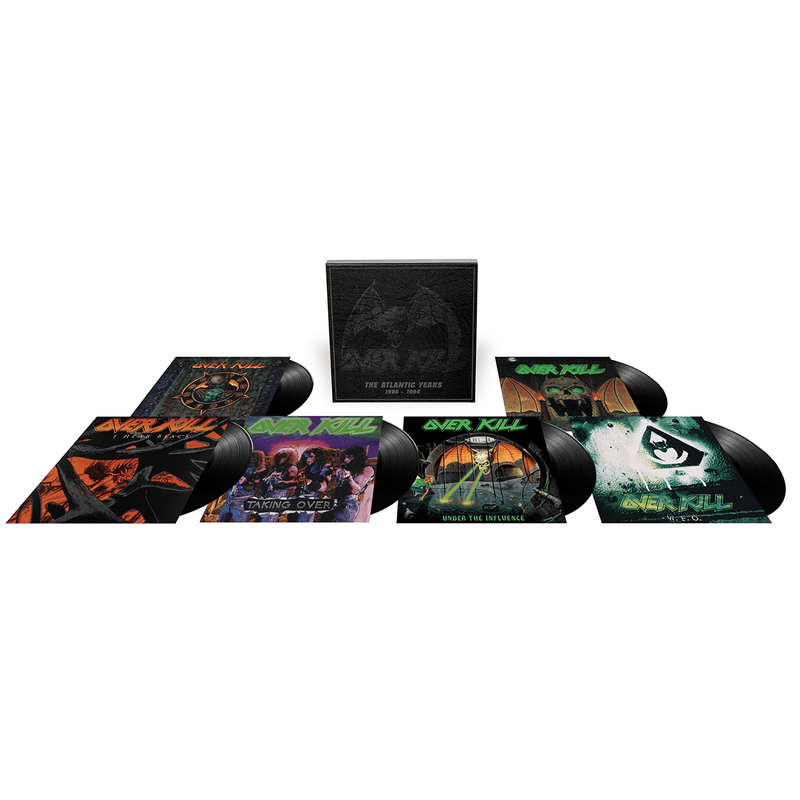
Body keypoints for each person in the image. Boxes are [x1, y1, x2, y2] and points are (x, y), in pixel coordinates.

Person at [331, 446, 374, 522]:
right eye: (345, 457)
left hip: (349, 505)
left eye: (349, 457)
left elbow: (355, 490)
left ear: (357, 457)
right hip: (336, 501)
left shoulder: (367, 469)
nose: (345, 460)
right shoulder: (348, 467)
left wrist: (348, 478)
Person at [294, 448, 333, 522]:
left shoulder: (325, 466)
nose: (308, 459)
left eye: (311, 457)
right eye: (306, 457)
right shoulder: (305, 467)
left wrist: (310, 482)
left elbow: (323, 486)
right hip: (298, 500)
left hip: (310, 500)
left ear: (318, 456)